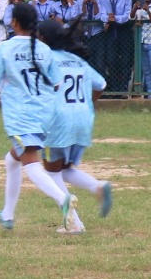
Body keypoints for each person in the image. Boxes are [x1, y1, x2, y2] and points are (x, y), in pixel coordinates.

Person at [0, 2, 77, 231]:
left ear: (13, 22)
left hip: (21, 116)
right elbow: (57, 83)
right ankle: (7, 215)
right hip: (44, 115)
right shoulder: (43, 49)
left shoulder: (6, 48)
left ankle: (63, 199)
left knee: (31, 164)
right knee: (11, 160)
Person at [38, 19, 113, 234]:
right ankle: (97, 186)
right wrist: (89, 104)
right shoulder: (76, 60)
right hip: (82, 118)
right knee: (65, 169)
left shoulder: (46, 59)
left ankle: (74, 224)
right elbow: (101, 84)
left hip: (58, 121)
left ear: (42, 38)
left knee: (51, 173)